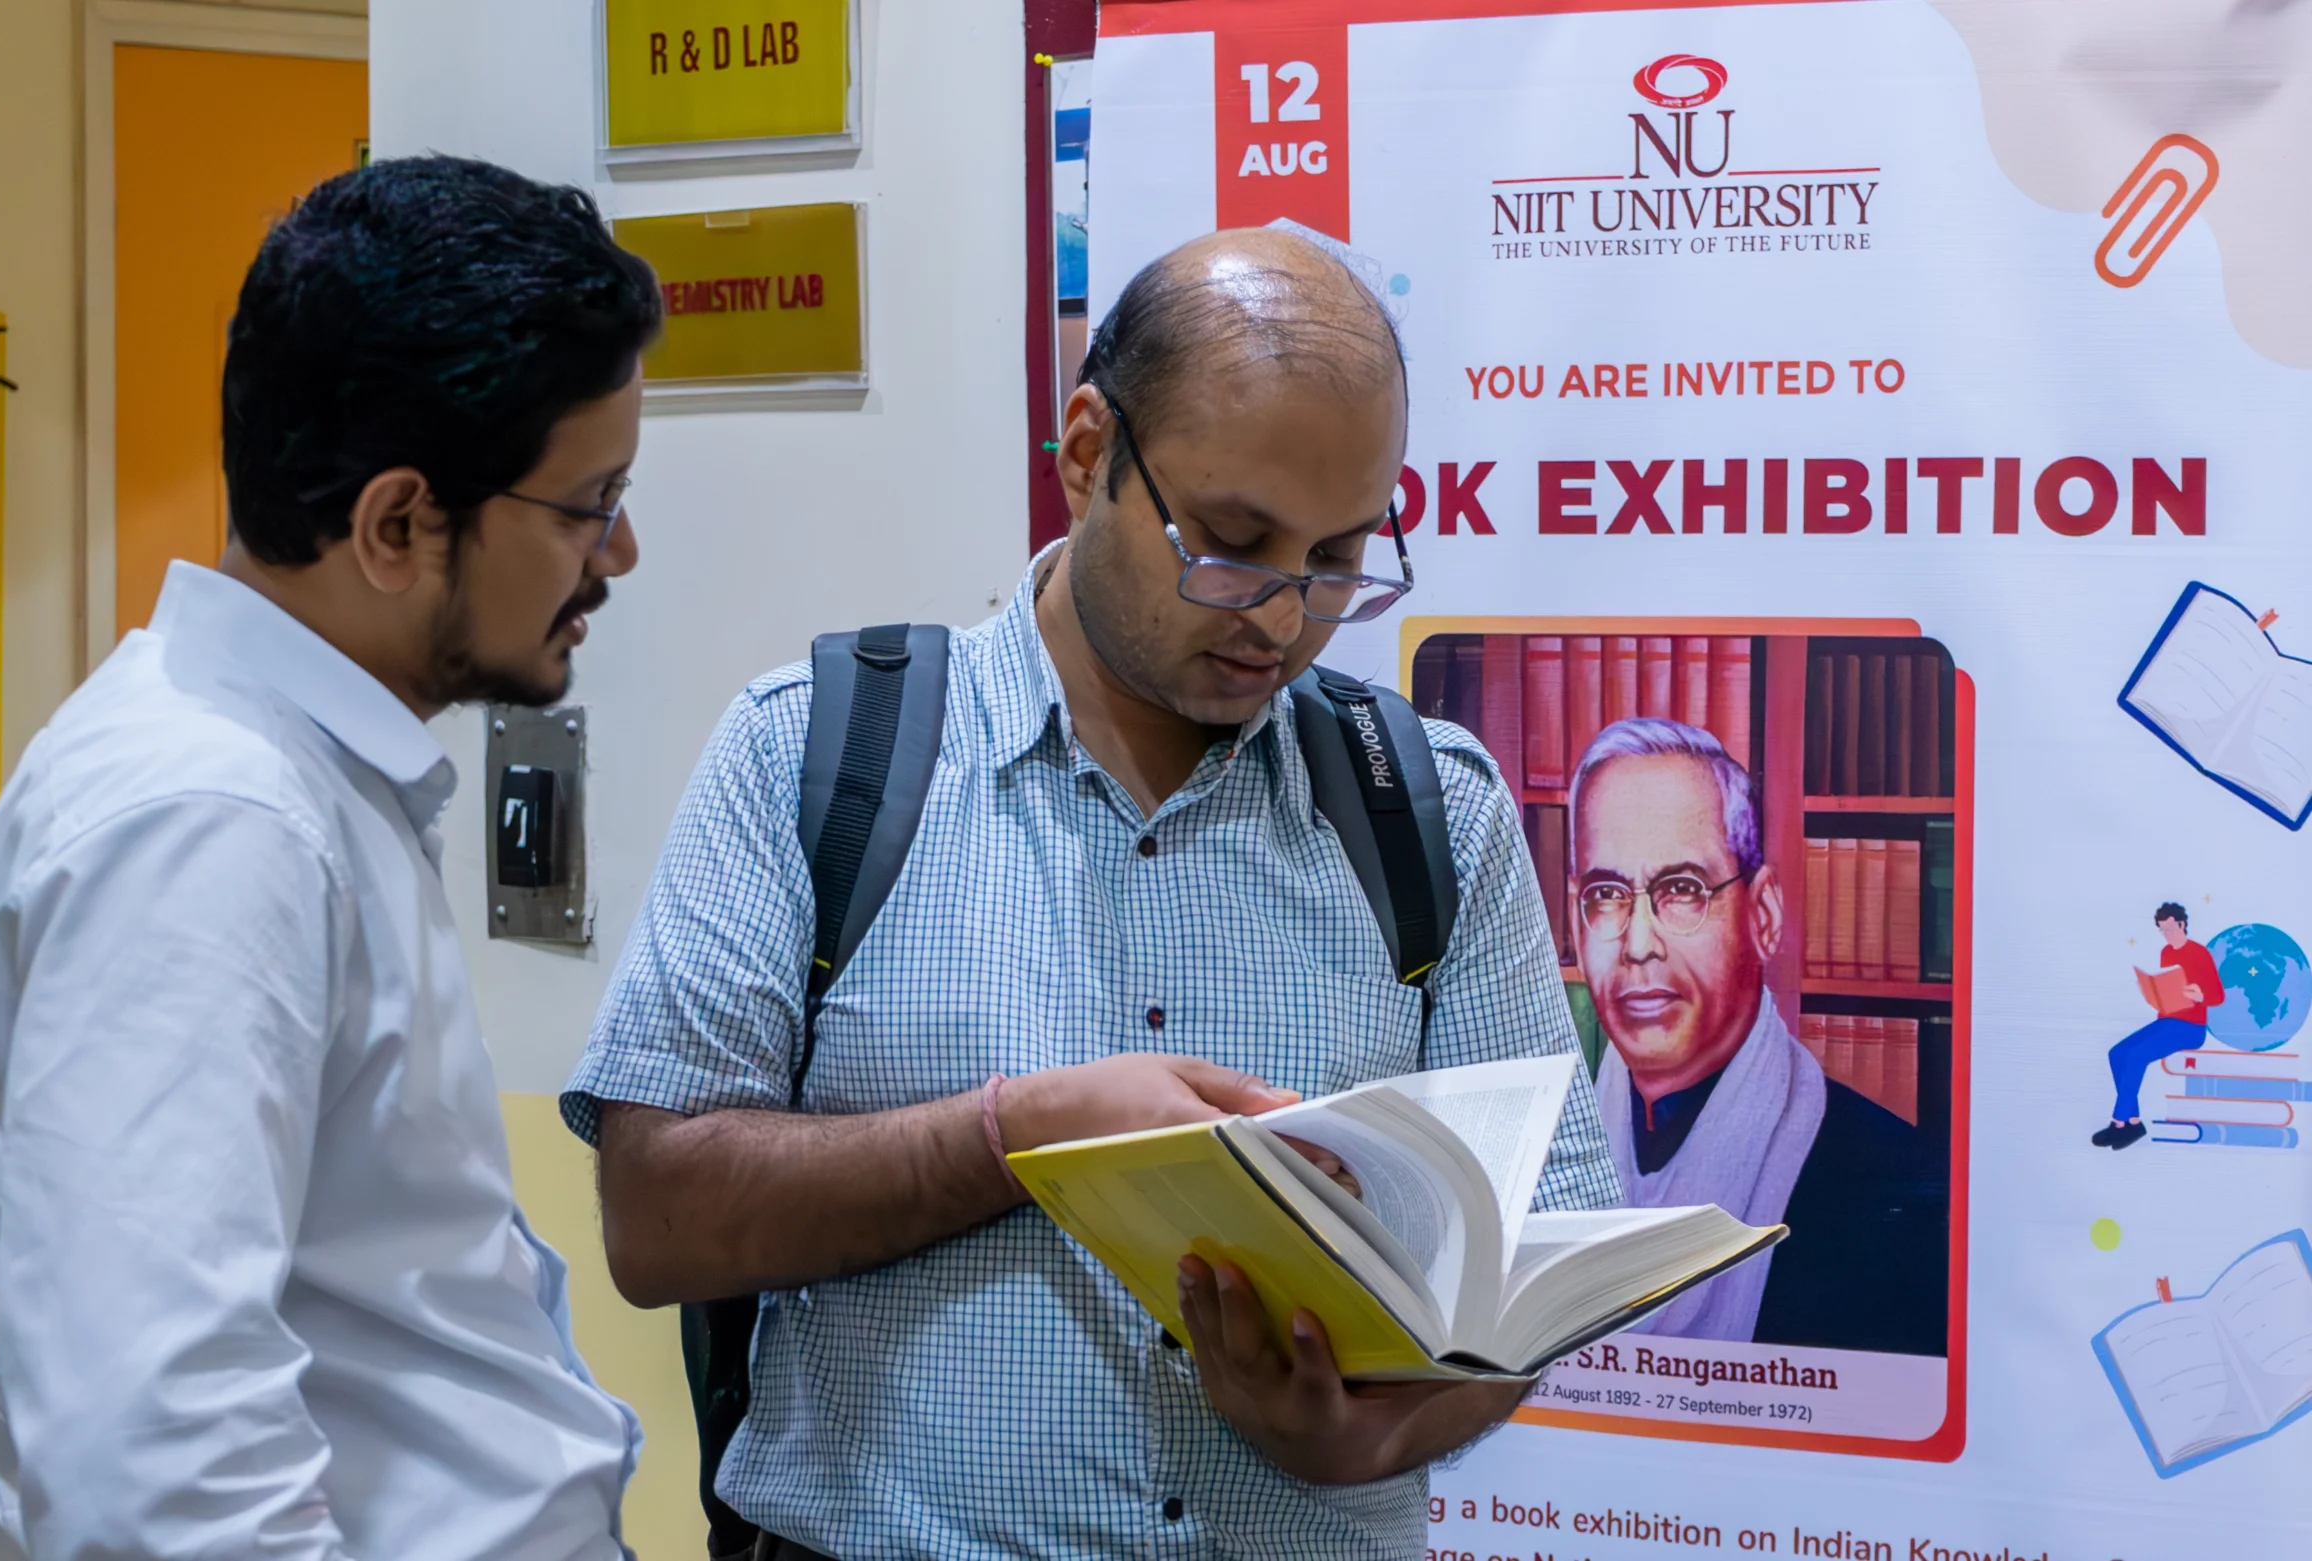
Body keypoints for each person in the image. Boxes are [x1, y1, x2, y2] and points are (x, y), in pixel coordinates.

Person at [565, 227, 1617, 1561]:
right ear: (1082, 452)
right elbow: (657, 1222)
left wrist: (1378, 1436)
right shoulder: (814, 752)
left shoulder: (1433, 812)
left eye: (1339, 556)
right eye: (1231, 542)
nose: (1282, 618)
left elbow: (1545, 1249)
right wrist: (1017, 1136)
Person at [0, 156, 659, 1560]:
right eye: (588, 501)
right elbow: (158, 1471)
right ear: (397, 525)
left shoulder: (293, 782)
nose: (618, 551)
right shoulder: (210, 821)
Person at [1569, 717, 1946, 1355]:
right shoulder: (1548, 1158)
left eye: (1682, 890)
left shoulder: (1899, 1196)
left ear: (1763, 916)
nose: (1636, 944)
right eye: (1606, 895)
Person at [2094, 902, 2224, 1148]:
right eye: (2163, 930)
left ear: (2182, 924)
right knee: (2117, 1053)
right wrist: (2153, 994)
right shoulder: (2167, 953)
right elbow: (2170, 987)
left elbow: (2218, 996)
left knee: (2135, 1056)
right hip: (2168, 1020)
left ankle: (2119, 1123)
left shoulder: (2199, 953)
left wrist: (2200, 995)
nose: (2167, 935)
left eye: (2170, 929)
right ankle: (2133, 1121)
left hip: (2191, 1027)